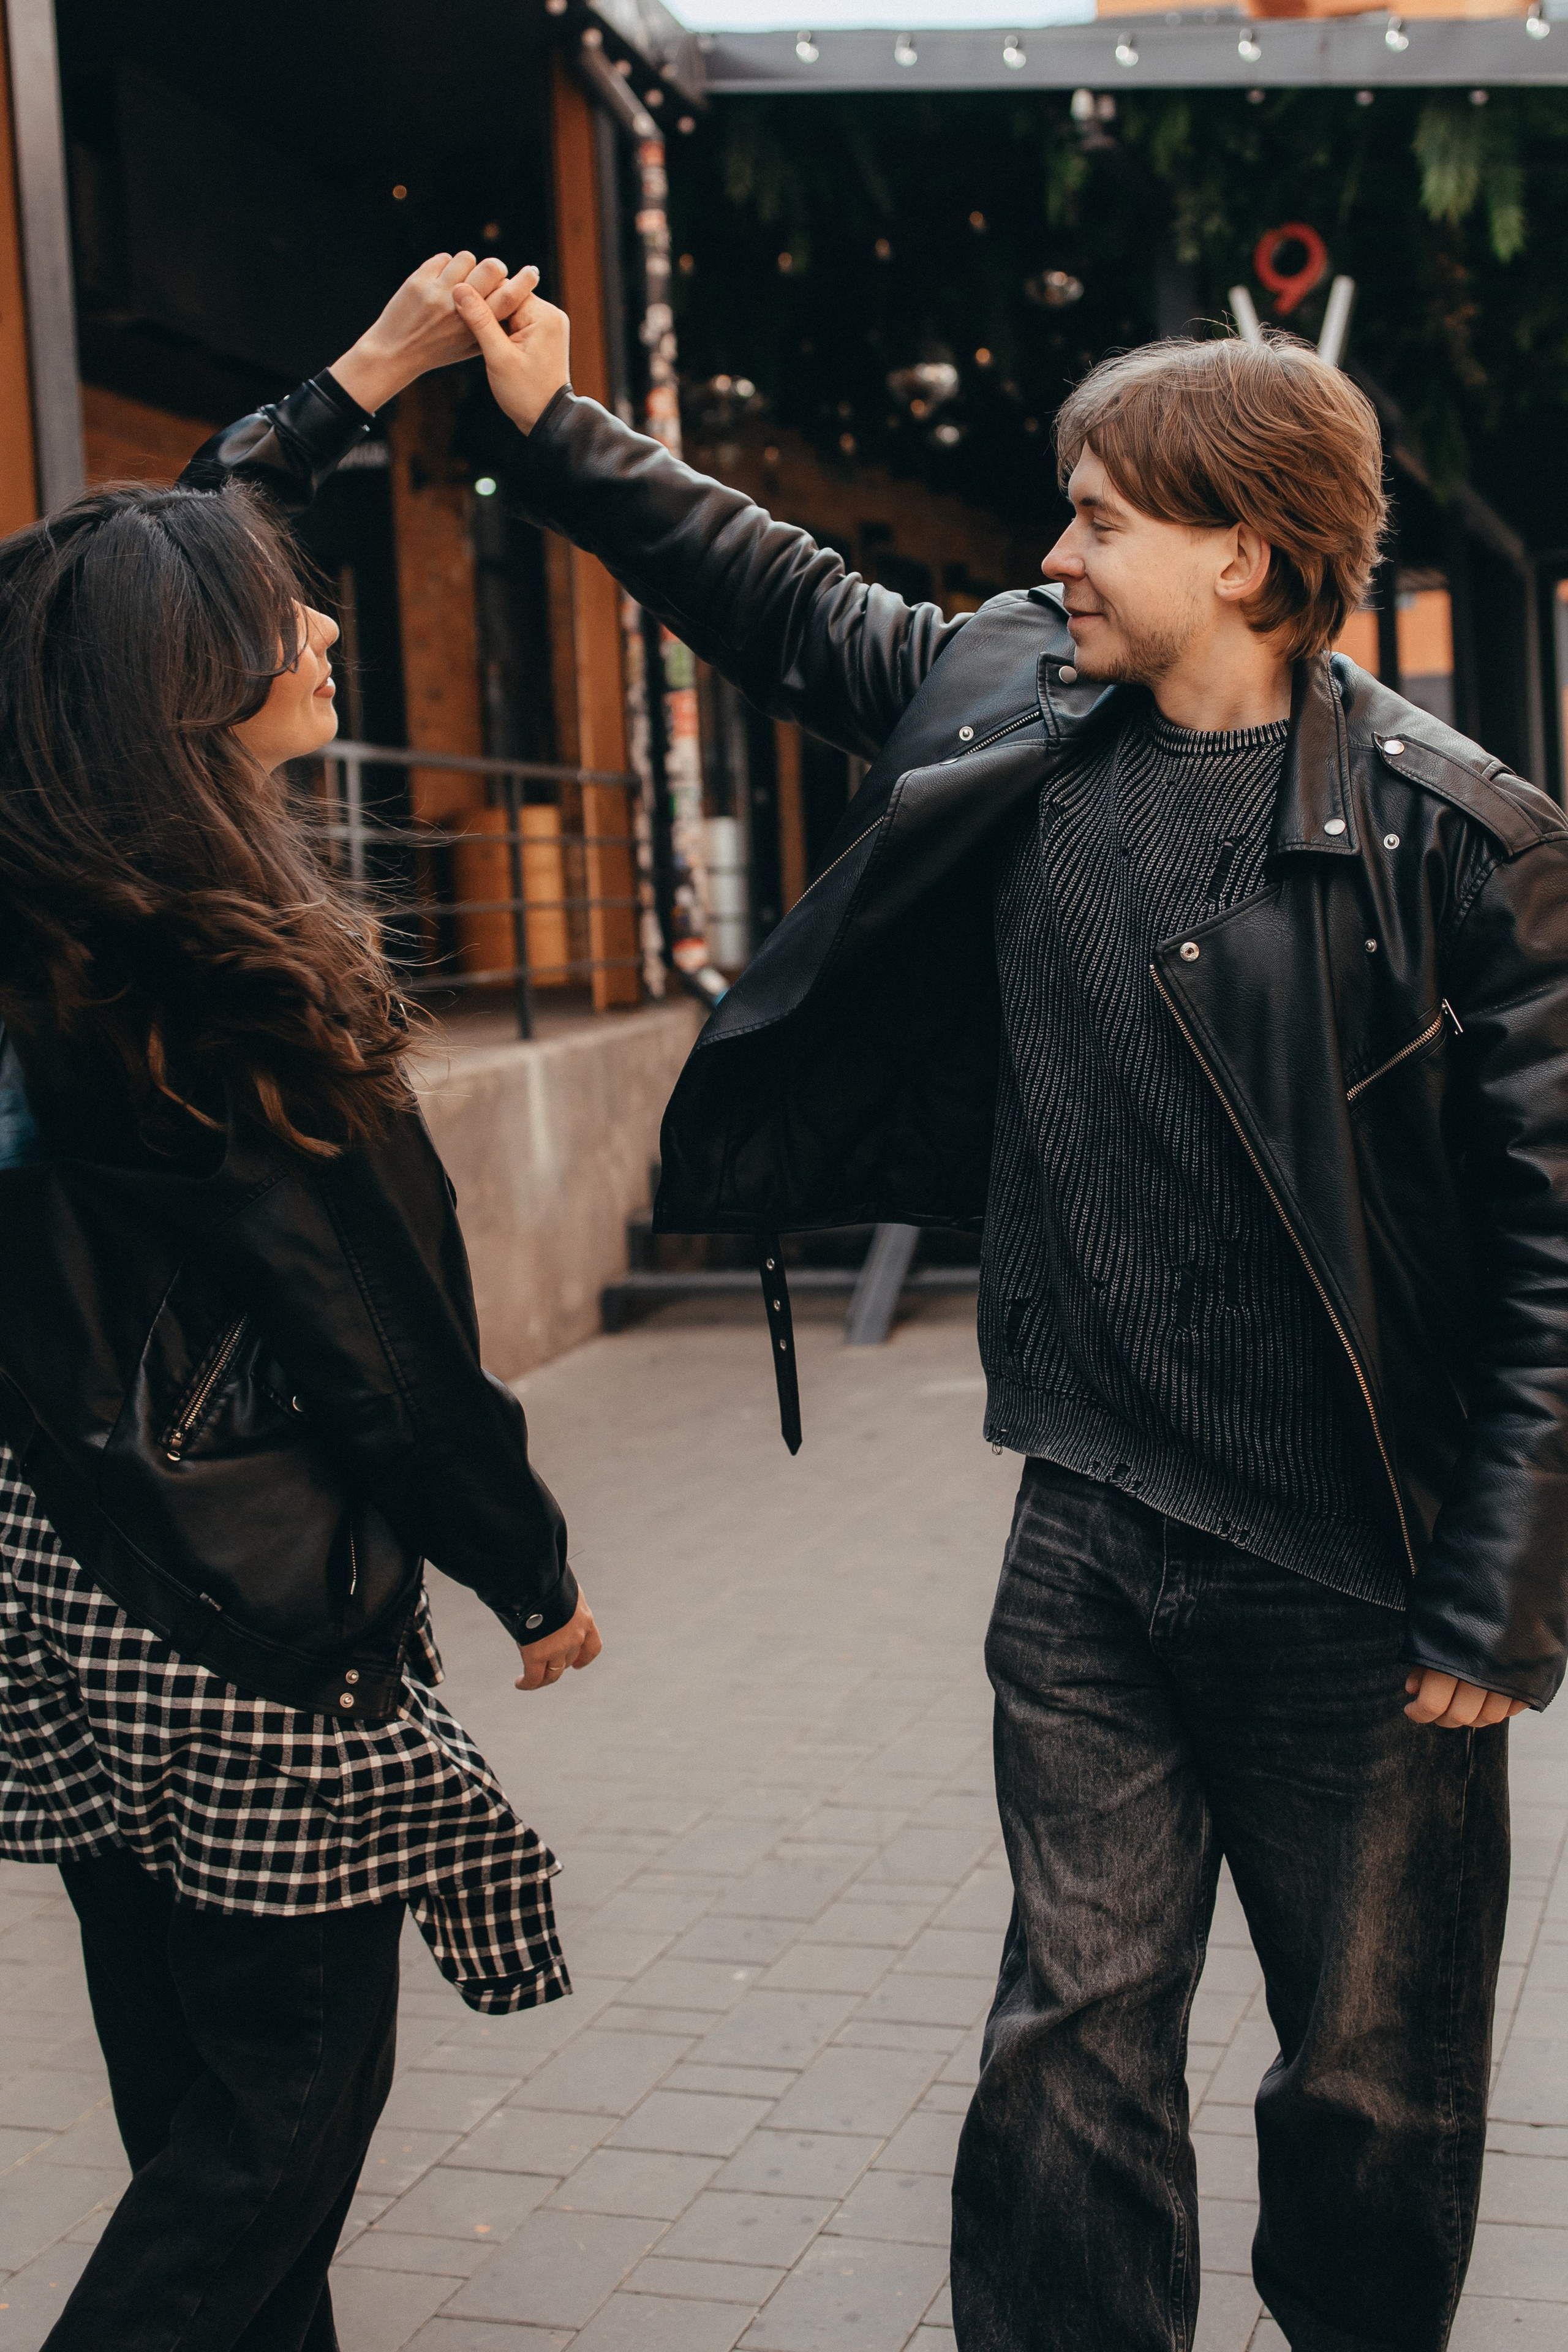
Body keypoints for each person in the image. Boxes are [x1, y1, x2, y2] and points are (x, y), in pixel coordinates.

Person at [451, 275, 1568, 2351]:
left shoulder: (1464, 847)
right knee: (1066, 2047)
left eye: (1101, 520)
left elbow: (1554, 1259)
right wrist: (552, 423)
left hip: (1361, 1576)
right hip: (1087, 1531)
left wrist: (1502, 1596)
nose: (1055, 554)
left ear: (1247, 556)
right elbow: (786, 602)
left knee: (1371, 2091)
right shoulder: (1017, 698)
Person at [0, 250, 601, 2352]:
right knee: (278, 2123)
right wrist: (530, 1568)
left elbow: (105, 593)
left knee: (193, 2101)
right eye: (282, 618)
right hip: (234, 1619)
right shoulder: (229, 994)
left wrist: (359, 382)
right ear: (191, 690)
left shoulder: (58, 920)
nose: (328, 625)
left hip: (66, 1580)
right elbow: (384, 1354)